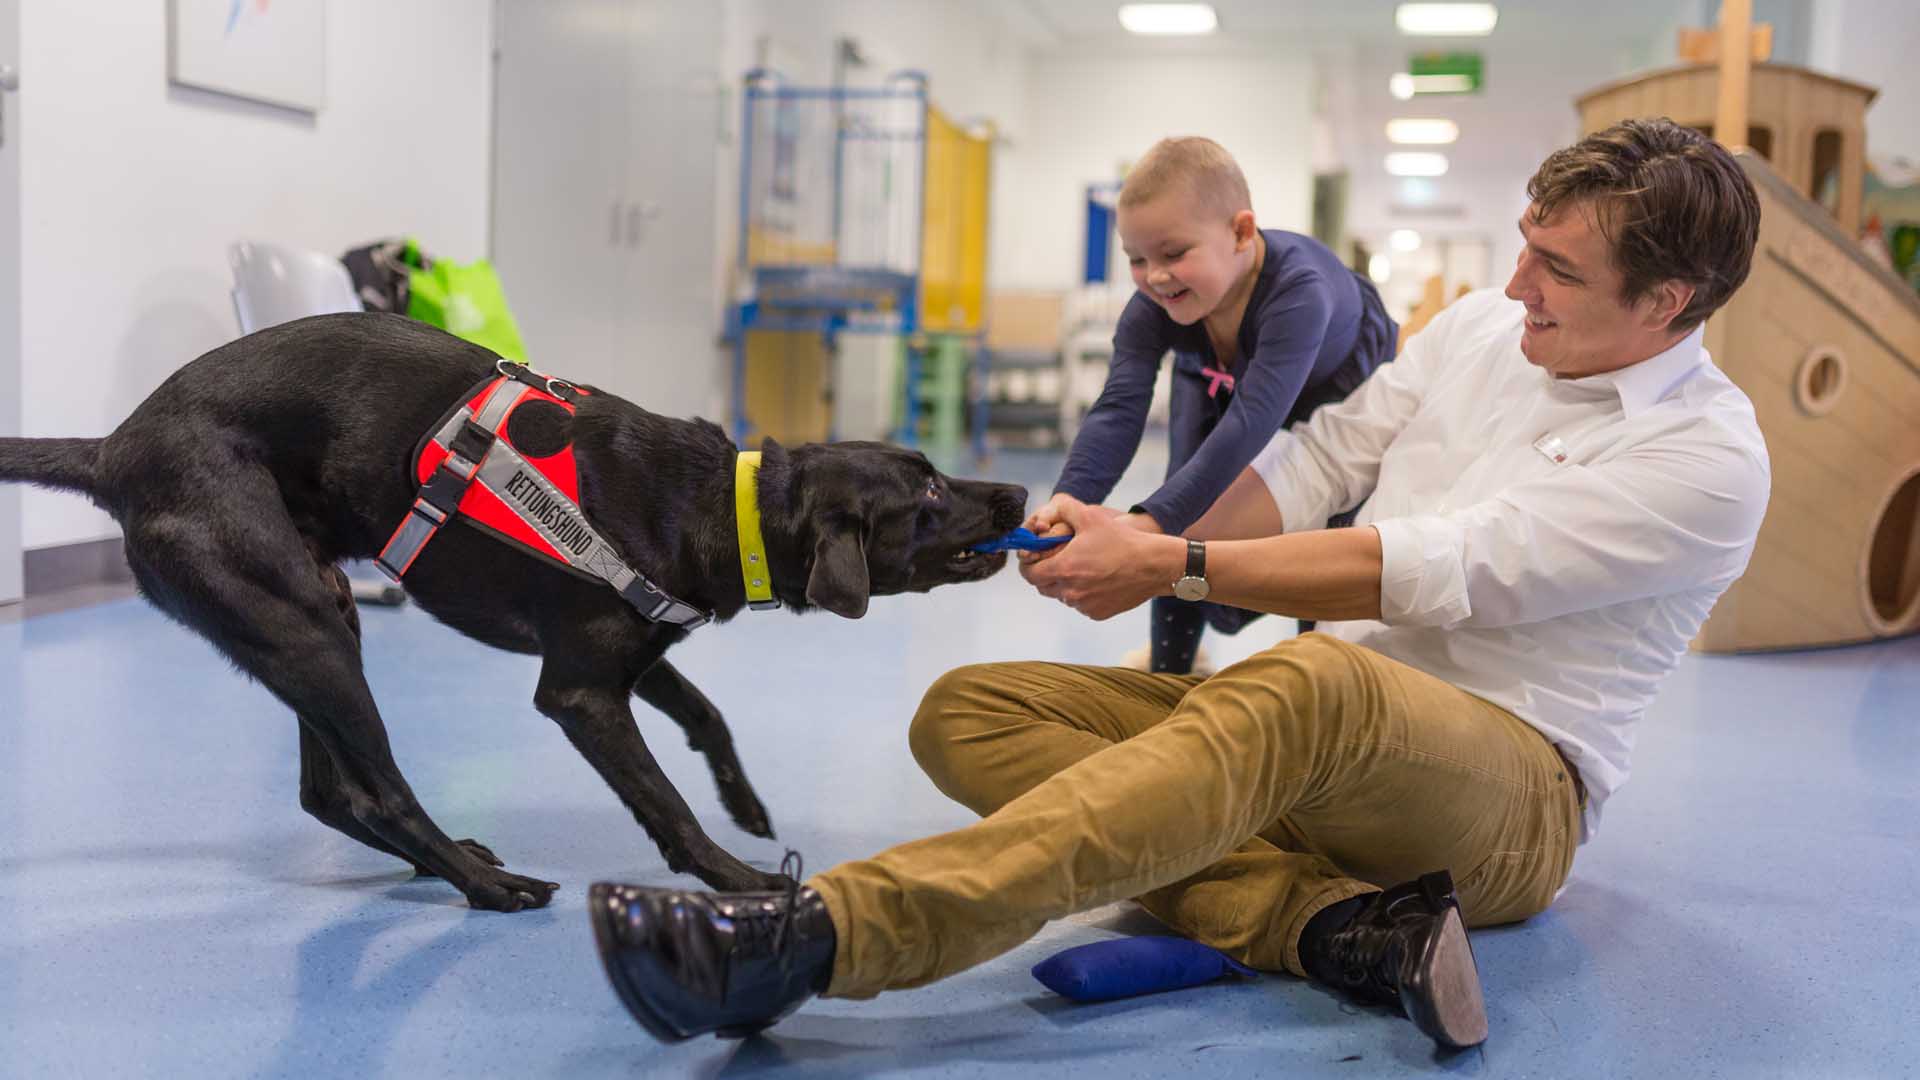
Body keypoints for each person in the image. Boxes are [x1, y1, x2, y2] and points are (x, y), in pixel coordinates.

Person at [586, 118, 1769, 1052]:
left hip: (1512, 790)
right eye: (1524, 246)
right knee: (972, 710)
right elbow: (1319, 462)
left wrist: (1176, 560)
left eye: (1556, 268)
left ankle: (821, 938)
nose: (1517, 284)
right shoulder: (1478, 333)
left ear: (1665, 304)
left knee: (1311, 679)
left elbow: (1430, 571)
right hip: (1331, 729)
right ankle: (1329, 926)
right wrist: (1128, 533)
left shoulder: (1708, 460)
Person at [1037, 136, 1396, 675]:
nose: (1155, 276)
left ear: (1241, 232)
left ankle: (1322, 674)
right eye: (1136, 259)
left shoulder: (1300, 292)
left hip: (1332, 383)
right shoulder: (1161, 300)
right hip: (1220, 375)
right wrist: (1068, 502)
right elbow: (1119, 406)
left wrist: (1144, 531)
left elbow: (1254, 420)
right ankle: (1171, 670)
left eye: (1174, 253)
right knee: (1182, 502)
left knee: (1326, 529)